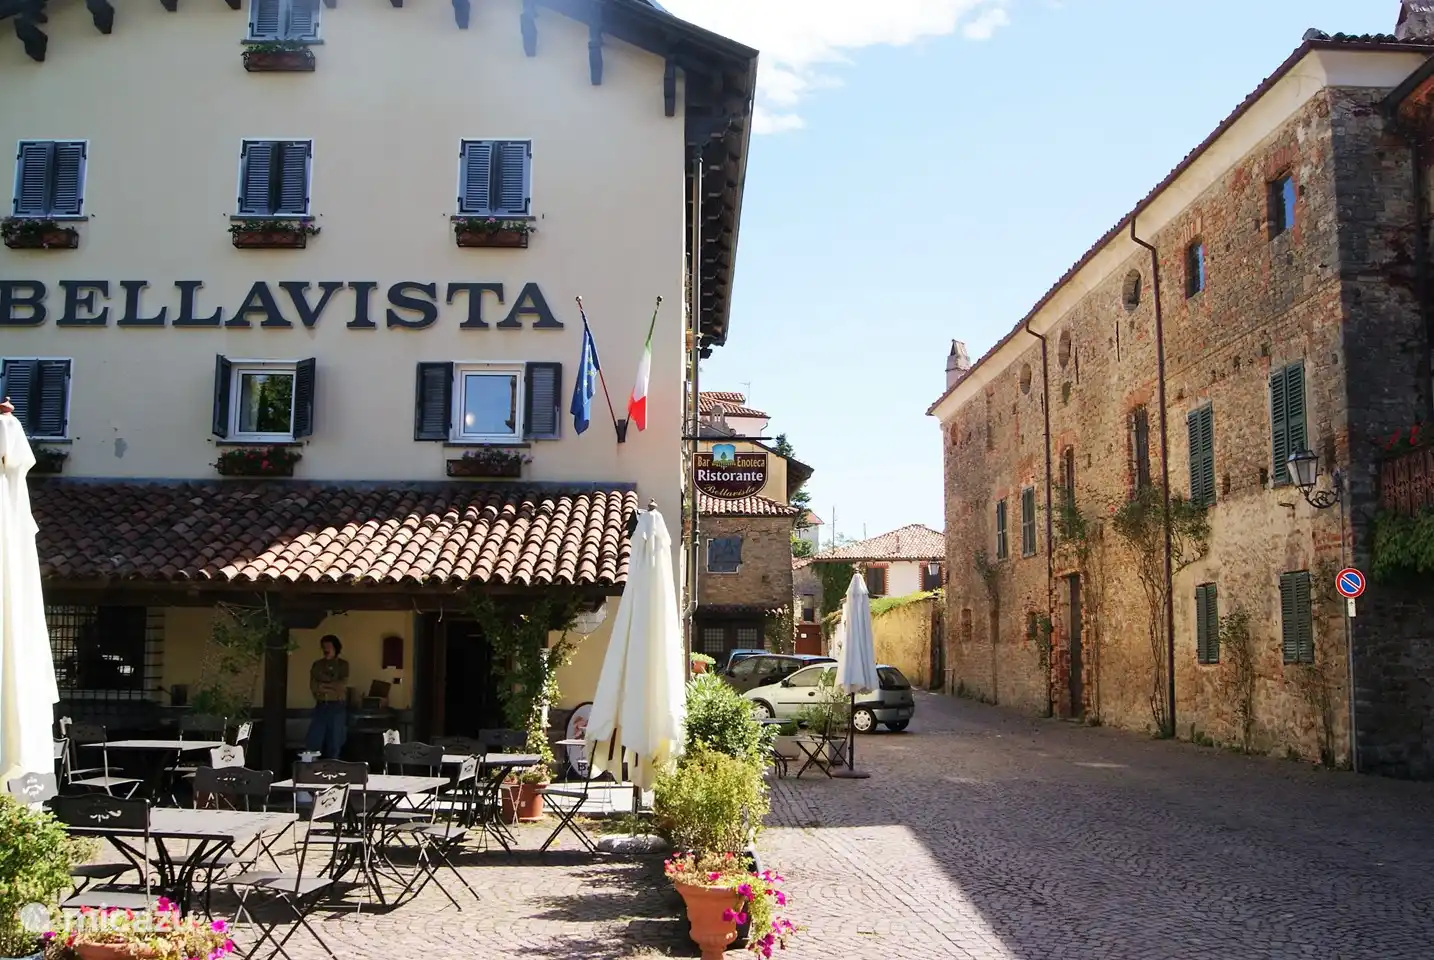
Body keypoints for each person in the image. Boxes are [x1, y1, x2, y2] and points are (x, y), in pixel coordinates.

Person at [306, 635, 350, 759]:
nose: (326, 649)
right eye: (324, 647)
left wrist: (324, 685)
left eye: (329, 646)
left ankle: (333, 770)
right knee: (314, 740)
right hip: (321, 705)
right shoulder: (317, 665)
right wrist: (330, 685)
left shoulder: (342, 665)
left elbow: (341, 685)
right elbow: (314, 686)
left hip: (337, 706)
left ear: (336, 648)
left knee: (335, 742)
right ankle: (312, 770)